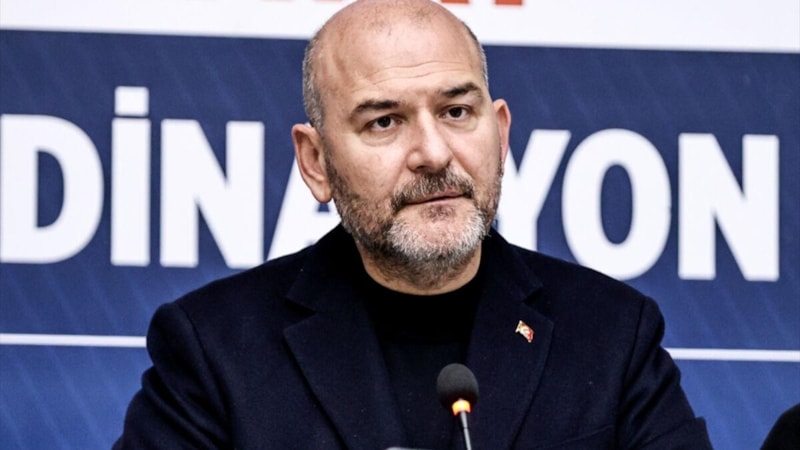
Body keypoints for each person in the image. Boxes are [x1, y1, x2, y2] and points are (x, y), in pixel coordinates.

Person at [114, 0, 712, 448]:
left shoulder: (611, 335)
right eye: (384, 122)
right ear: (316, 162)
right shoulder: (215, 348)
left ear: (501, 134)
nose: (433, 152)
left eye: (456, 111)